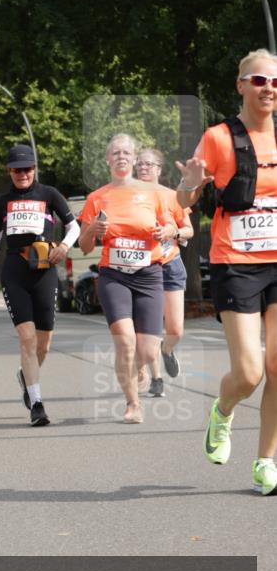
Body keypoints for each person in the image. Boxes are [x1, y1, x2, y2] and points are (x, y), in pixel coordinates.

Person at [176, 49, 277, 496]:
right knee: (250, 372)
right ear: (241, 85)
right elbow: (184, 201)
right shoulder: (218, 139)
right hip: (236, 263)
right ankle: (223, 409)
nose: (268, 88)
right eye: (259, 80)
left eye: (274, 82)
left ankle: (266, 462)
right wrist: (190, 183)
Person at [0, 144, 80, 427]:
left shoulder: (49, 194)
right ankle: (37, 404)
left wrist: (64, 247)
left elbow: (74, 227)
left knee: (44, 343)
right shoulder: (1, 202)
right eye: (17, 170)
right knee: (27, 339)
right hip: (15, 271)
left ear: (34, 169)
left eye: (27, 169)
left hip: (45, 269)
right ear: (9, 171)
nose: (22, 174)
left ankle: (25, 376)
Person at [78, 134, 177, 424]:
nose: (121, 156)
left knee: (147, 349)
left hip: (149, 274)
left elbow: (172, 224)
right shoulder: (97, 197)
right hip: (114, 275)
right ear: (107, 160)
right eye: (115, 153)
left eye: (126, 152)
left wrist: (167, 231)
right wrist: (93, 229)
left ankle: (139, 367)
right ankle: (133, 404)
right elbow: (84, 246)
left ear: (134, 159)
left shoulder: (153, 193)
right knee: (125, 340)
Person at [135, 147, 194, 397]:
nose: (143, 168)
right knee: (147, 327)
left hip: (170, 265)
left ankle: (166, 349)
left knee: (175, 330)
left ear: (159, 169)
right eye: (140, 164)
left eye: (148, 164)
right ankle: (154, 377)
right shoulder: (130, 197)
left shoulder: (172, 196)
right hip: (143, 266)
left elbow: (189, 229)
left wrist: (174, 232)